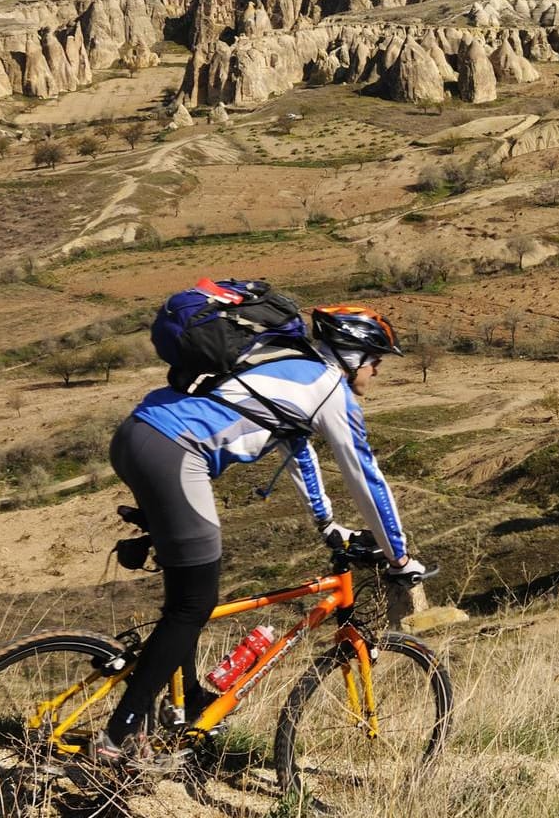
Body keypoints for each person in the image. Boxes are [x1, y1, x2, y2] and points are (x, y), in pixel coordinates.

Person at [96, 304, 423, 763]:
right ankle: (119, 738)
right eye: (376, 359)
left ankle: (186, 703)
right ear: (352, 354)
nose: (376, 370)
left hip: (136, 436)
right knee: (195, 604)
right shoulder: (329, 387)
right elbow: (364, 476)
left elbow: (299, 450)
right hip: (173, 453)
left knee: (185, 601)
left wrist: (327, 524)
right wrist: (400, 557)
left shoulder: (288, 368)